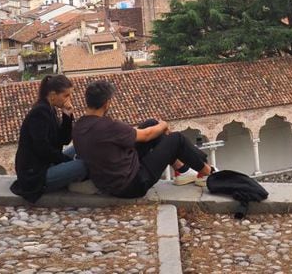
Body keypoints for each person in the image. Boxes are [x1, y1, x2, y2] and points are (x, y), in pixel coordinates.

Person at [73, 80, 214, 198]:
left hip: (109, 181)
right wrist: (163, 125)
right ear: (107, 103)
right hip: (133, 184)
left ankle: (182, 170)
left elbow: (140, 133)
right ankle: (209, 173)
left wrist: (157, 127)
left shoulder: (79, 126)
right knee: (176, 139)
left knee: (151, 124)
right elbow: (145, 136)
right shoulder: (108, 126)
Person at [10, 75, 88, 203]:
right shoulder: (39, 113)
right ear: (52, 95)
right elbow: (43, 149)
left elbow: (64, 140)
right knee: (83, 165)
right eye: (66, 95)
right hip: (35, 175)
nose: (69, 99)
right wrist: (67, 161)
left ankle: (71, 176)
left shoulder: (50, 109)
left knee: (81, 146)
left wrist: (67, 116)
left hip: (46, 164)